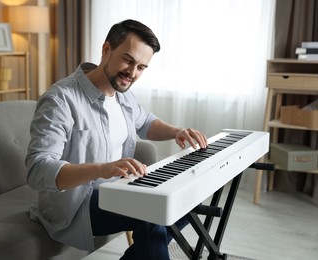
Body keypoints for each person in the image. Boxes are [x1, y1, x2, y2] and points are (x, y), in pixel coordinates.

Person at [26, 19, 208, 260]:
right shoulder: (61, 99)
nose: (132, 73)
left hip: (119, 192)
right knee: (152, 214)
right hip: (77, 203)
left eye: (141, 67)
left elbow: (145, 122)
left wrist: (177, 132)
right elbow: (37, 170)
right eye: (128, 60)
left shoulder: (123, 95)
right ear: (106, 50)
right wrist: (102, 169)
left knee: (187, 200)